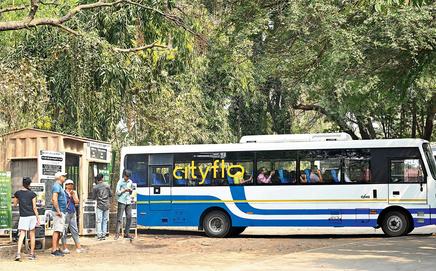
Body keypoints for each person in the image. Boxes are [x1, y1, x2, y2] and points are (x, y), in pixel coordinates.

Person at [13, 177, 40, 261]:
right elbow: (34, 207)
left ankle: (18, 254)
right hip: (32, 216)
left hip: (23, 216)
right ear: (29, 184)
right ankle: (32, 254)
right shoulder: (32, 194)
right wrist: (38, 217)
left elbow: (14, 204)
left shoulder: (18, 193)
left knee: (22, 234)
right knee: (32, 235)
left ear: (22, 183)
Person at [61, 179, 83, 253]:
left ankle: (78, 247)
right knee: (64, 230)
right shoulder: (63, 193)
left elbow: (77, 202)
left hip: (72, 212)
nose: (70, 185)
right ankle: (64, 247)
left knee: (75, 230)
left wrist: (73, 195)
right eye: (69, 184)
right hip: (65, 212)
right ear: (66, 185)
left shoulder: (74, 192)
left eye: (72, 184)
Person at [51, 171, 67, 257]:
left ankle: (56, 248)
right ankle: (54, 249)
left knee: (60, 231)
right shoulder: (56, 186)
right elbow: (54, 199)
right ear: (59, 177)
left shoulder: (59, 186)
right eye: (63, 176)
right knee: (57, 230)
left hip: (61, 211)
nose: (64, 177)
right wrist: (58, 211)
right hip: (59, 212)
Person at [93, 173, 112, 240]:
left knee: (99, 221)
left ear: (97, 179)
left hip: (99, 205)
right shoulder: (107, 185)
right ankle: (104, 235)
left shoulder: (95, 187)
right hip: (106, 205)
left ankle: (99, 235)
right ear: (102, 178)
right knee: (105, 220)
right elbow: (110, 194)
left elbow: (93, 197)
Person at [115, 169, 133, 240]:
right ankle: (117, 234)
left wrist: (130, 191)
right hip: (121, 201)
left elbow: (131, 191)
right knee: (119, 218)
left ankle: (126, 233)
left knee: (129, 217)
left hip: (128, 201)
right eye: (126, 176)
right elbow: (117, 192)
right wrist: (124, 190)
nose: (127, 178)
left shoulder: (130, 182)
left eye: (128, 177)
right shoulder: (120, 182)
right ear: (124, 175)